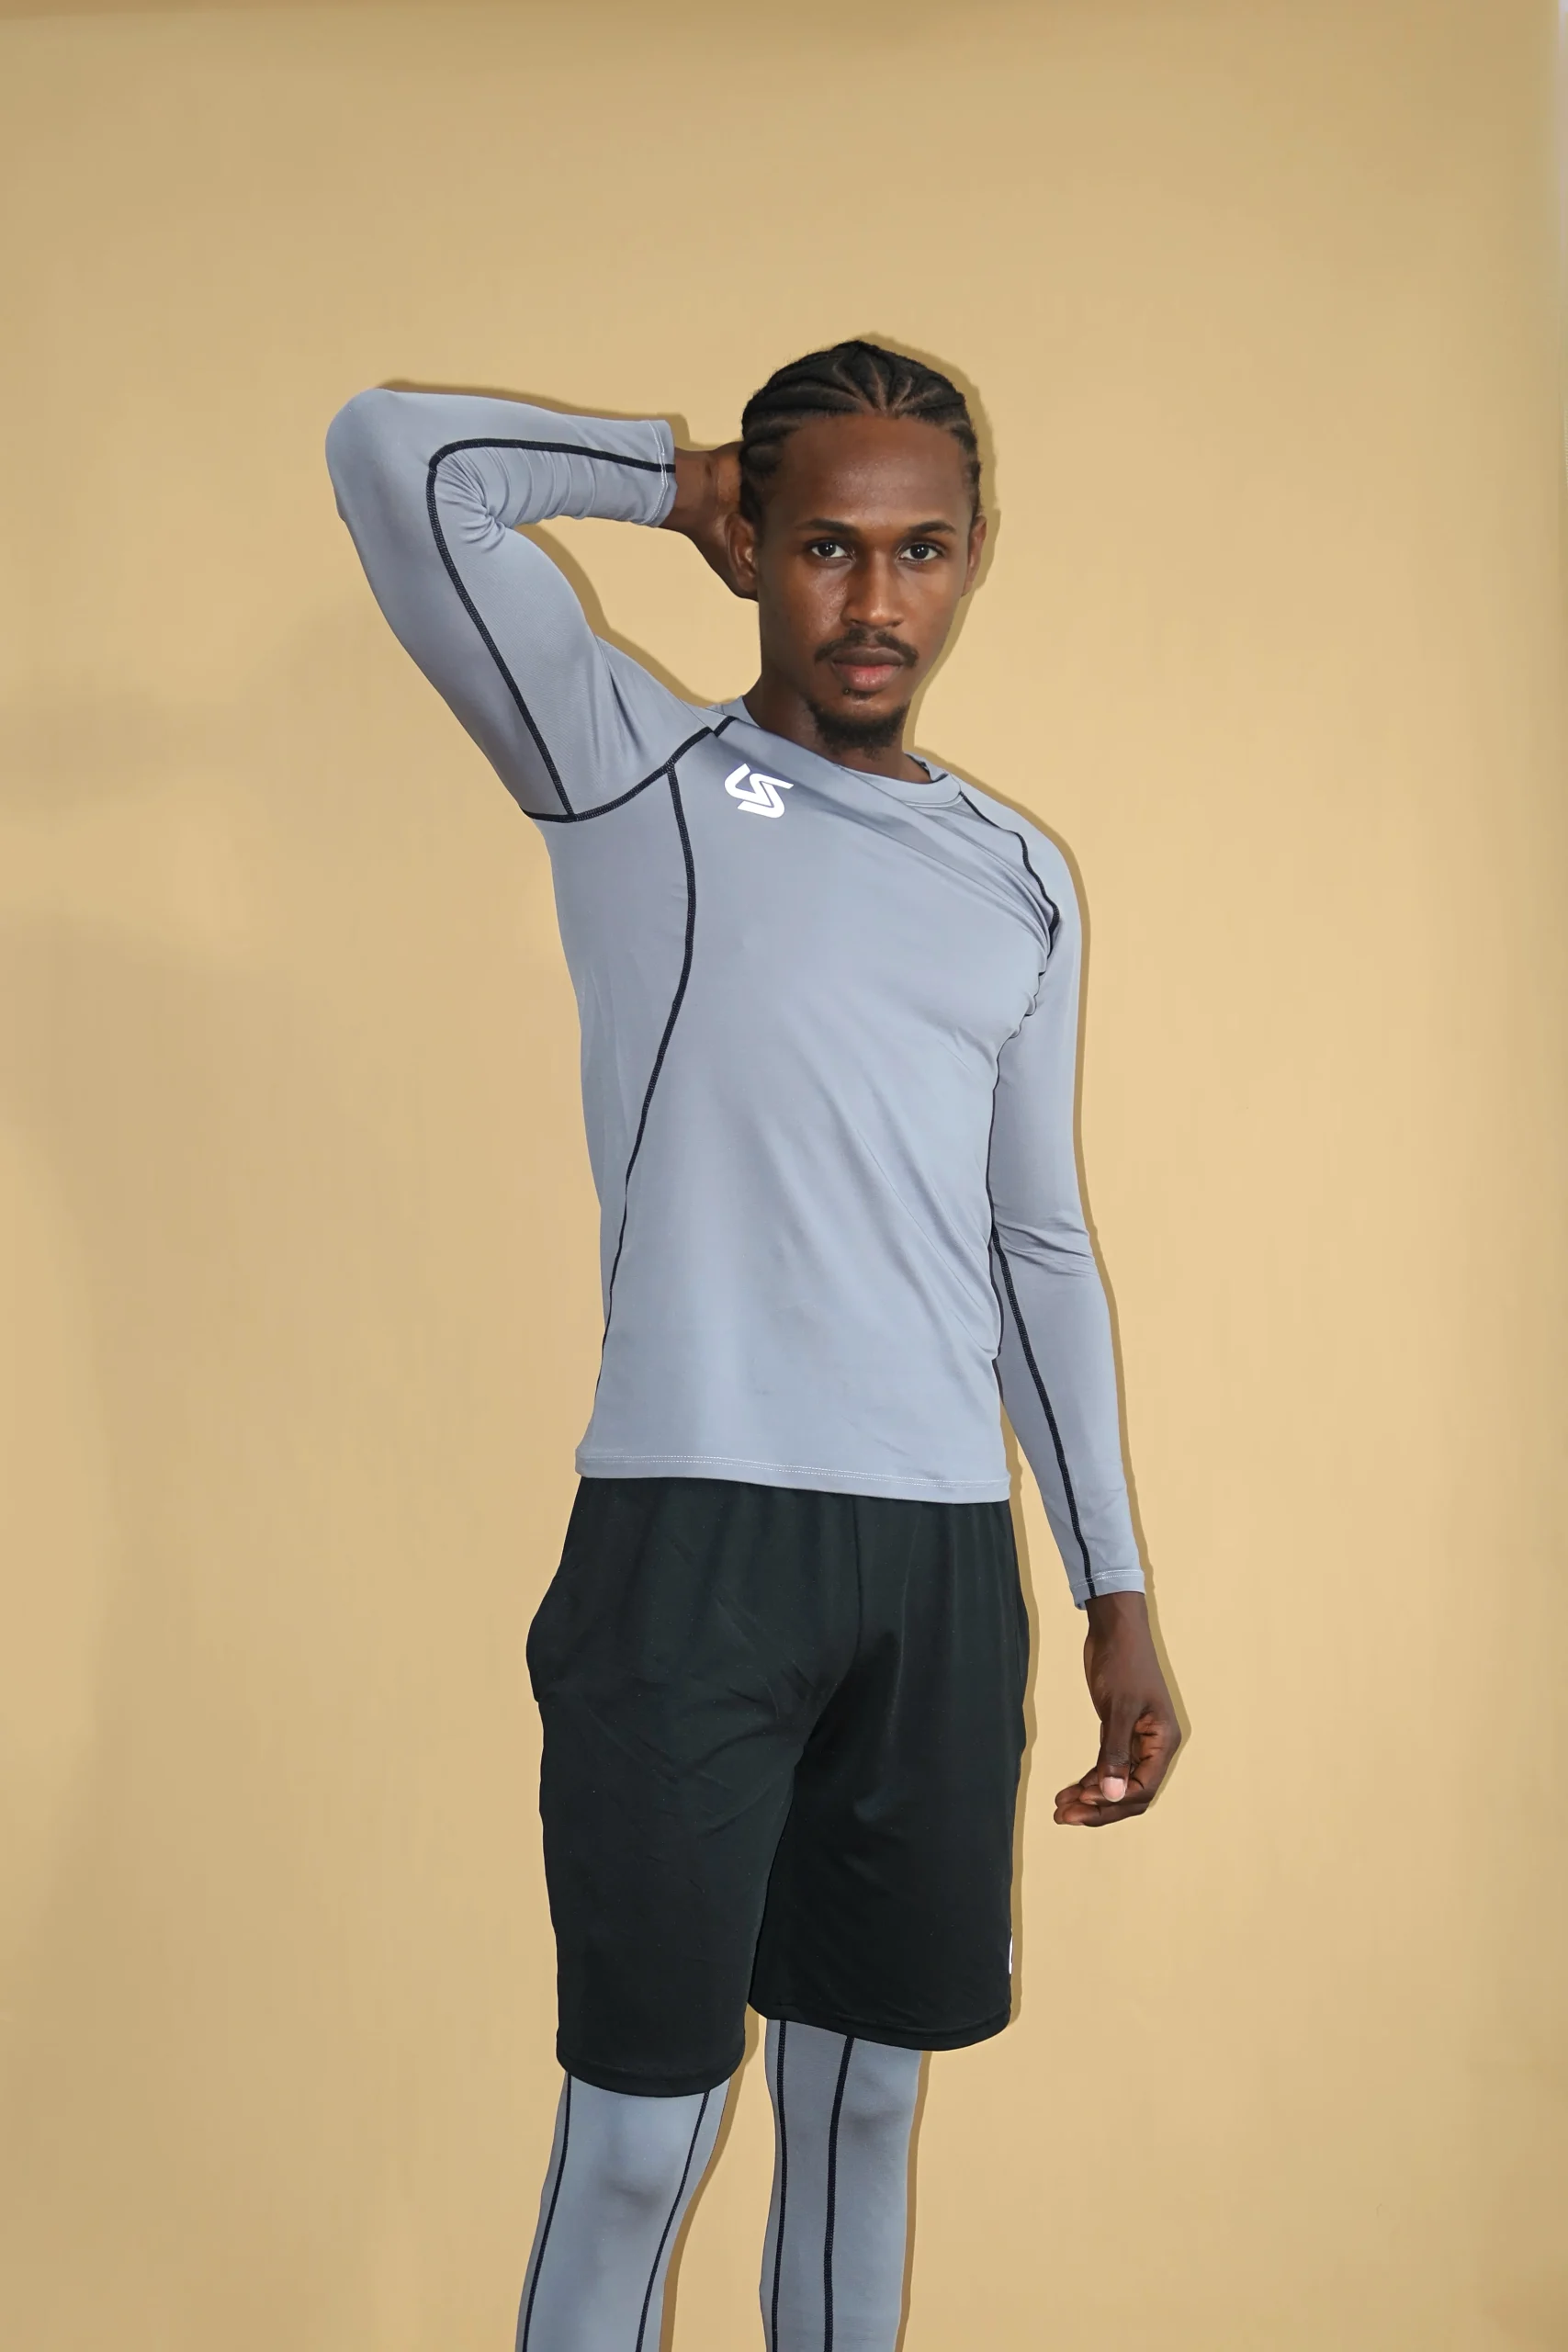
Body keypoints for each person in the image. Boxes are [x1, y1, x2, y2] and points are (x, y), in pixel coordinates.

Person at [324, 339, 1180, 2352]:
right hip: (692, 1547)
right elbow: (393, 456)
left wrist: (1115, 1589)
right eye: (823, 544)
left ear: (973, 556)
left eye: (919, 550)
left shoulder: (1019, 875)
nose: (875, 600)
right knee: (642, 2134)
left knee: (863, 2105)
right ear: (759, 548)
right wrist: (666, 473)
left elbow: (1033, 1244)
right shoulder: (635, 772)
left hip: (939, 1562)